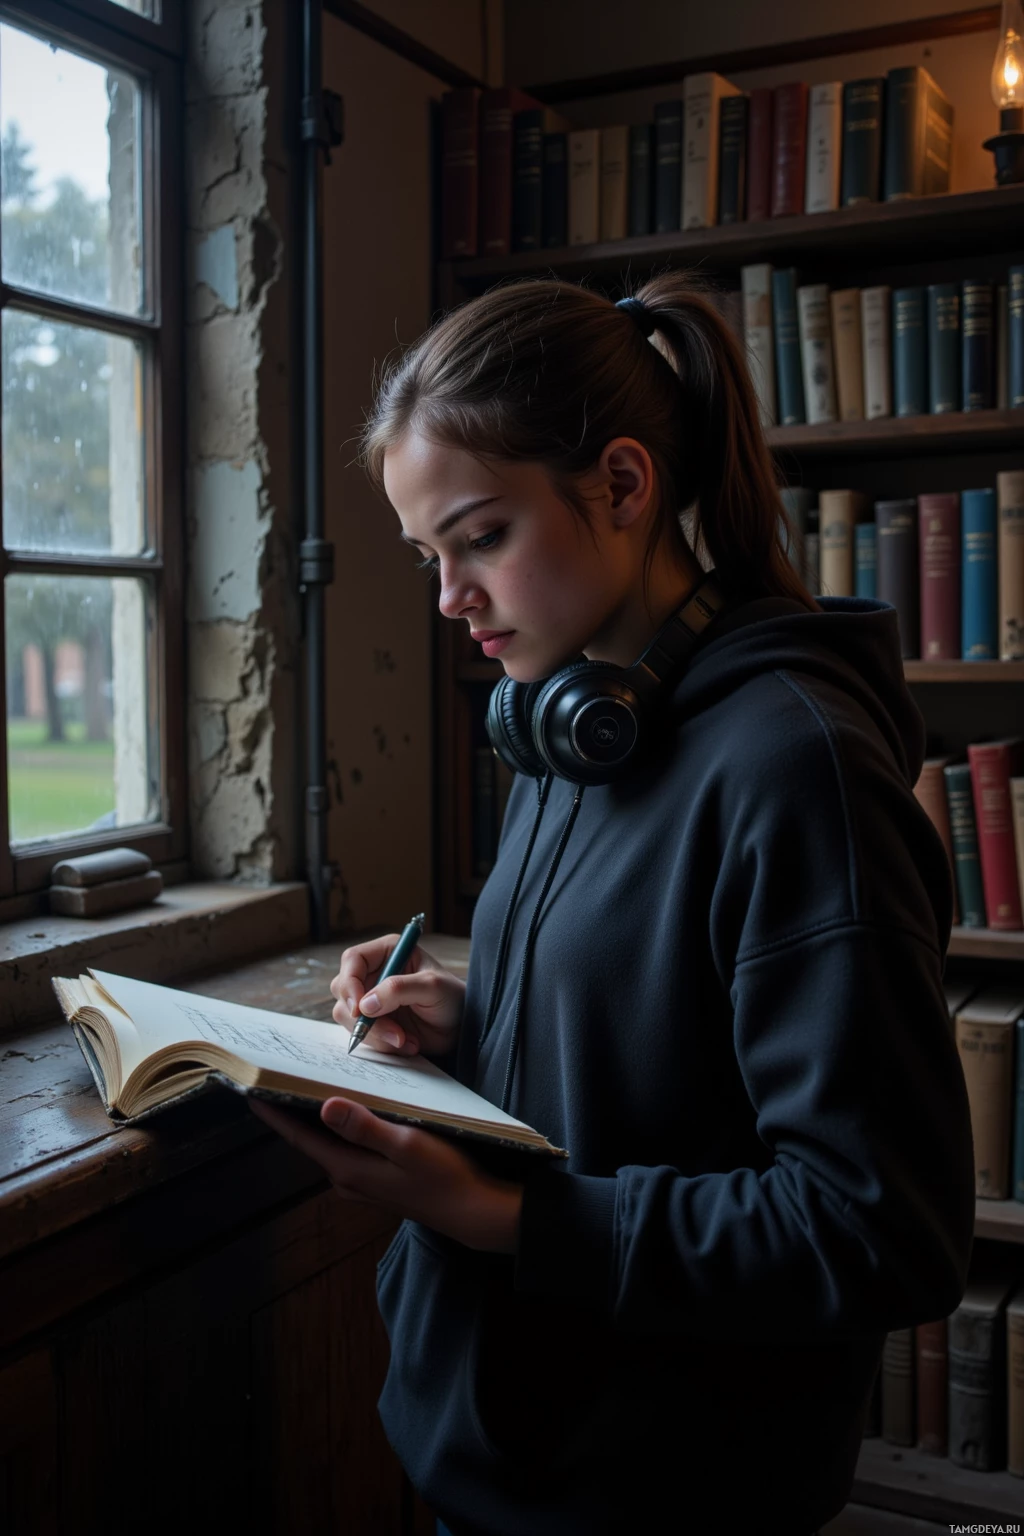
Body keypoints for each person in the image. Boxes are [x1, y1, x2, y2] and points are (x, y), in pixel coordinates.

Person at [249, 275, 975, 1536]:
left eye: (480, 538)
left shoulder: (795, 768)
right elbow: (676, 1052)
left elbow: (876, 1228)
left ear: (625, 485)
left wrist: (494, 1210)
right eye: (429, 556)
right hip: (492, 1452)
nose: (448, 600)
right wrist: (480, 1021)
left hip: (645, 1490)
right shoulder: (579, 721)